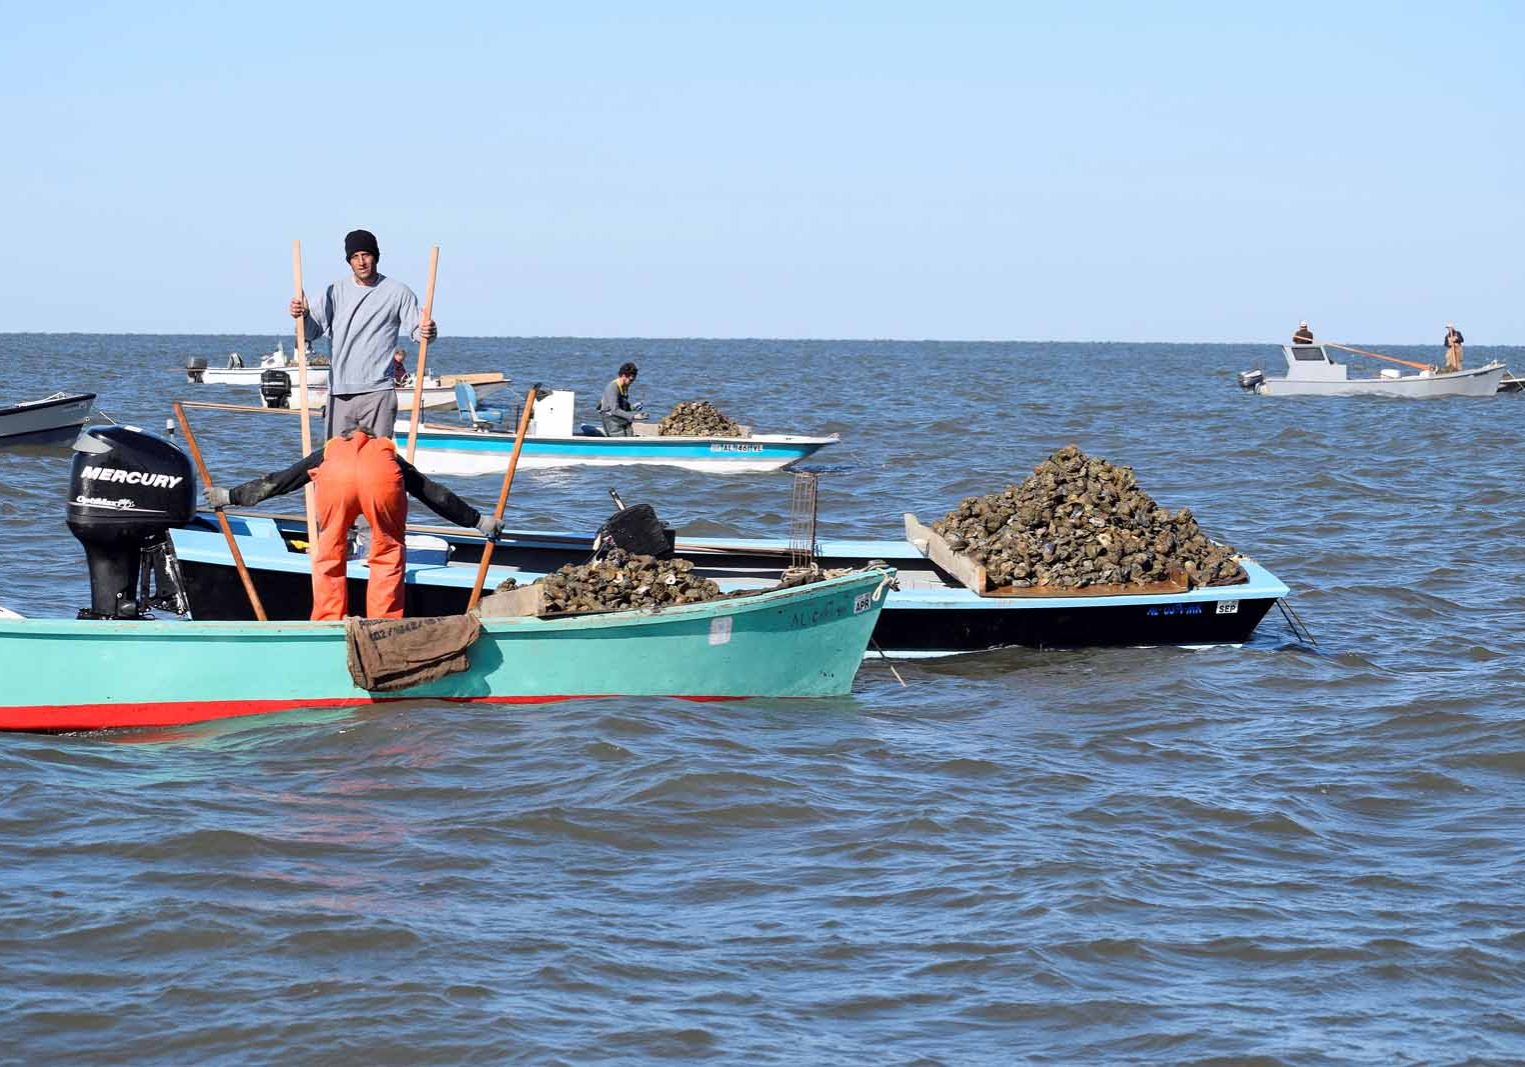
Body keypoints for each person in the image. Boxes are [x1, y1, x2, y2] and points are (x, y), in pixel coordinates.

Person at [204, 427, 500, 621]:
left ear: (344, 437)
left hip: (336, 480)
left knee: (329, 553)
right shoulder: (388, 454)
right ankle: (383, 626)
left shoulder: (329, 451)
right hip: (381, 479)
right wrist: (478, 521)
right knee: (387, 553)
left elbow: (278, 482)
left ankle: (327, 622)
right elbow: (435, 494)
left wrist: (230, 495)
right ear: (372, 438)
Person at [289, 229, 437, 439]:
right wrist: (302, 316)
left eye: (366, 255)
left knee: (376, 460)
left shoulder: (398, 292)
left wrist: (428, 331)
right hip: (340, 392)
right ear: (349, 261)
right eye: (355, 257)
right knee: (337, 461)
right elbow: (310, 332)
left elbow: (419, 332)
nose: (361, 262)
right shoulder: (334, 291)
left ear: (375, 257)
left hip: (378, 392)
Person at [598, 361, 646, 437]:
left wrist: (633, 407)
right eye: (631, 380)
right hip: (611, 421)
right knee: (624, 439)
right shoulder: (613, 387)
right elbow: (615, 410)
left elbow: (623, 407)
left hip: (620, 419)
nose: (631, 382)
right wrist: (634, 416)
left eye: (633, 380)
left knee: (630, 435)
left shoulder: (624, 386)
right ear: (623, 376)